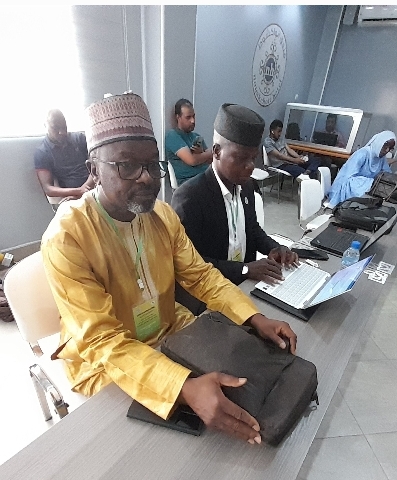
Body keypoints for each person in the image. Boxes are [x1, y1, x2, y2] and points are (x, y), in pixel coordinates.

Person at [41, 92, 297, 445]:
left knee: (245, 391)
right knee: (157, 445)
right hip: (105, 360)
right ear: (94, 170)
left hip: (169, 329)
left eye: (152, 164)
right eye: (127, 165)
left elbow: (202, 276)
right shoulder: (67, 236)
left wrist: (254, 318)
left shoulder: (162, 216)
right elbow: (102, 340)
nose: (147, 178)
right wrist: (181, 386)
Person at [172, 104, 299, 287]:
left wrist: (274, 247)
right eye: (241, 158)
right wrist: (245, 269)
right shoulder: (190, 197)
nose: (250, 166)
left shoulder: (246, 186)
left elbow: (252, 230)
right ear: (217, 151)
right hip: (211, 290)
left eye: (253, 158)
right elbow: (190, 264)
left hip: (244, 284)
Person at [324, 130, 396, 208]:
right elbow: (347, 179)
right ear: (379, 142)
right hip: (345, 188)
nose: (387, 151)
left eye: (390, 149)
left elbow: (387, 174)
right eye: (385, 146)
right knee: (373, 185)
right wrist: (370, 183)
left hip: (364, 189)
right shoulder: (362, 154)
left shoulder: (381, 158)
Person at [34, 109, 94, 202]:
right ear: (45, 125)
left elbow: (97, 165)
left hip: (94, 186)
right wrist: (78, 192)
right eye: (56, 128)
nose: (62, 132)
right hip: (72, 196)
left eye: (64, 127)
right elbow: (48, 189)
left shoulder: (80, 138)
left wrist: (84, 190)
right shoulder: (42, 152)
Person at [165, 98, 212, 186]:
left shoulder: (196, 136)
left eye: (193, 116)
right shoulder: (172, 135)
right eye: (188, 117)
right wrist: (208, 153)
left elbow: (212, 160)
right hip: (189, 183)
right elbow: (192, 160)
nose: (193, 121)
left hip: (206, 178)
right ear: (178, 117)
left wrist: (201, 153)